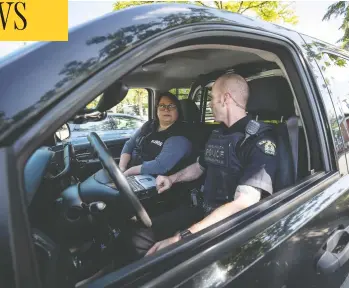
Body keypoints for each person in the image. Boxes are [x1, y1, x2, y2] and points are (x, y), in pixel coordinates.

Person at [124, 73, 278, 260]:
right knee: (138, 235)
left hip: (227, 226)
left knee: (157, 253)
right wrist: (172, 179)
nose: (210, 104)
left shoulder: (259, 140)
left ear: (225, 98)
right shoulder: (218, 133)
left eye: (212, 98)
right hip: (202, 209)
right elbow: (199, 167)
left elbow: (245, 202)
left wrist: (184, 236)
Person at [118, 92, 193, 177]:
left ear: (178, 110)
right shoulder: (149, 125)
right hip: (131, 174)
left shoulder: (180, 136)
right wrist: (122, 168)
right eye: (162, 106)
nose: (166, 109)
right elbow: (129, 144)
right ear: (156, 110)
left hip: (155, 180)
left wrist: (129, 172)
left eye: (171, 106)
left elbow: (160, 165)